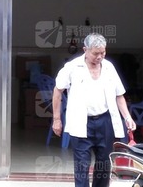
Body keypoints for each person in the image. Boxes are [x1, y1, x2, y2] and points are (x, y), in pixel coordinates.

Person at [52, 33, 136, 187]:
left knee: (104, 164)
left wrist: (128, 117)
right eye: (96, 53)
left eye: (103, 53)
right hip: (81, 122)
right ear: (85, 49)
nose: (100, 57)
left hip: (105, 122)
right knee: (82, 166)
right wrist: (56, 119)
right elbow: (57, 91)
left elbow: (119, 95)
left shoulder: (109, 67)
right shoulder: (72, 67)